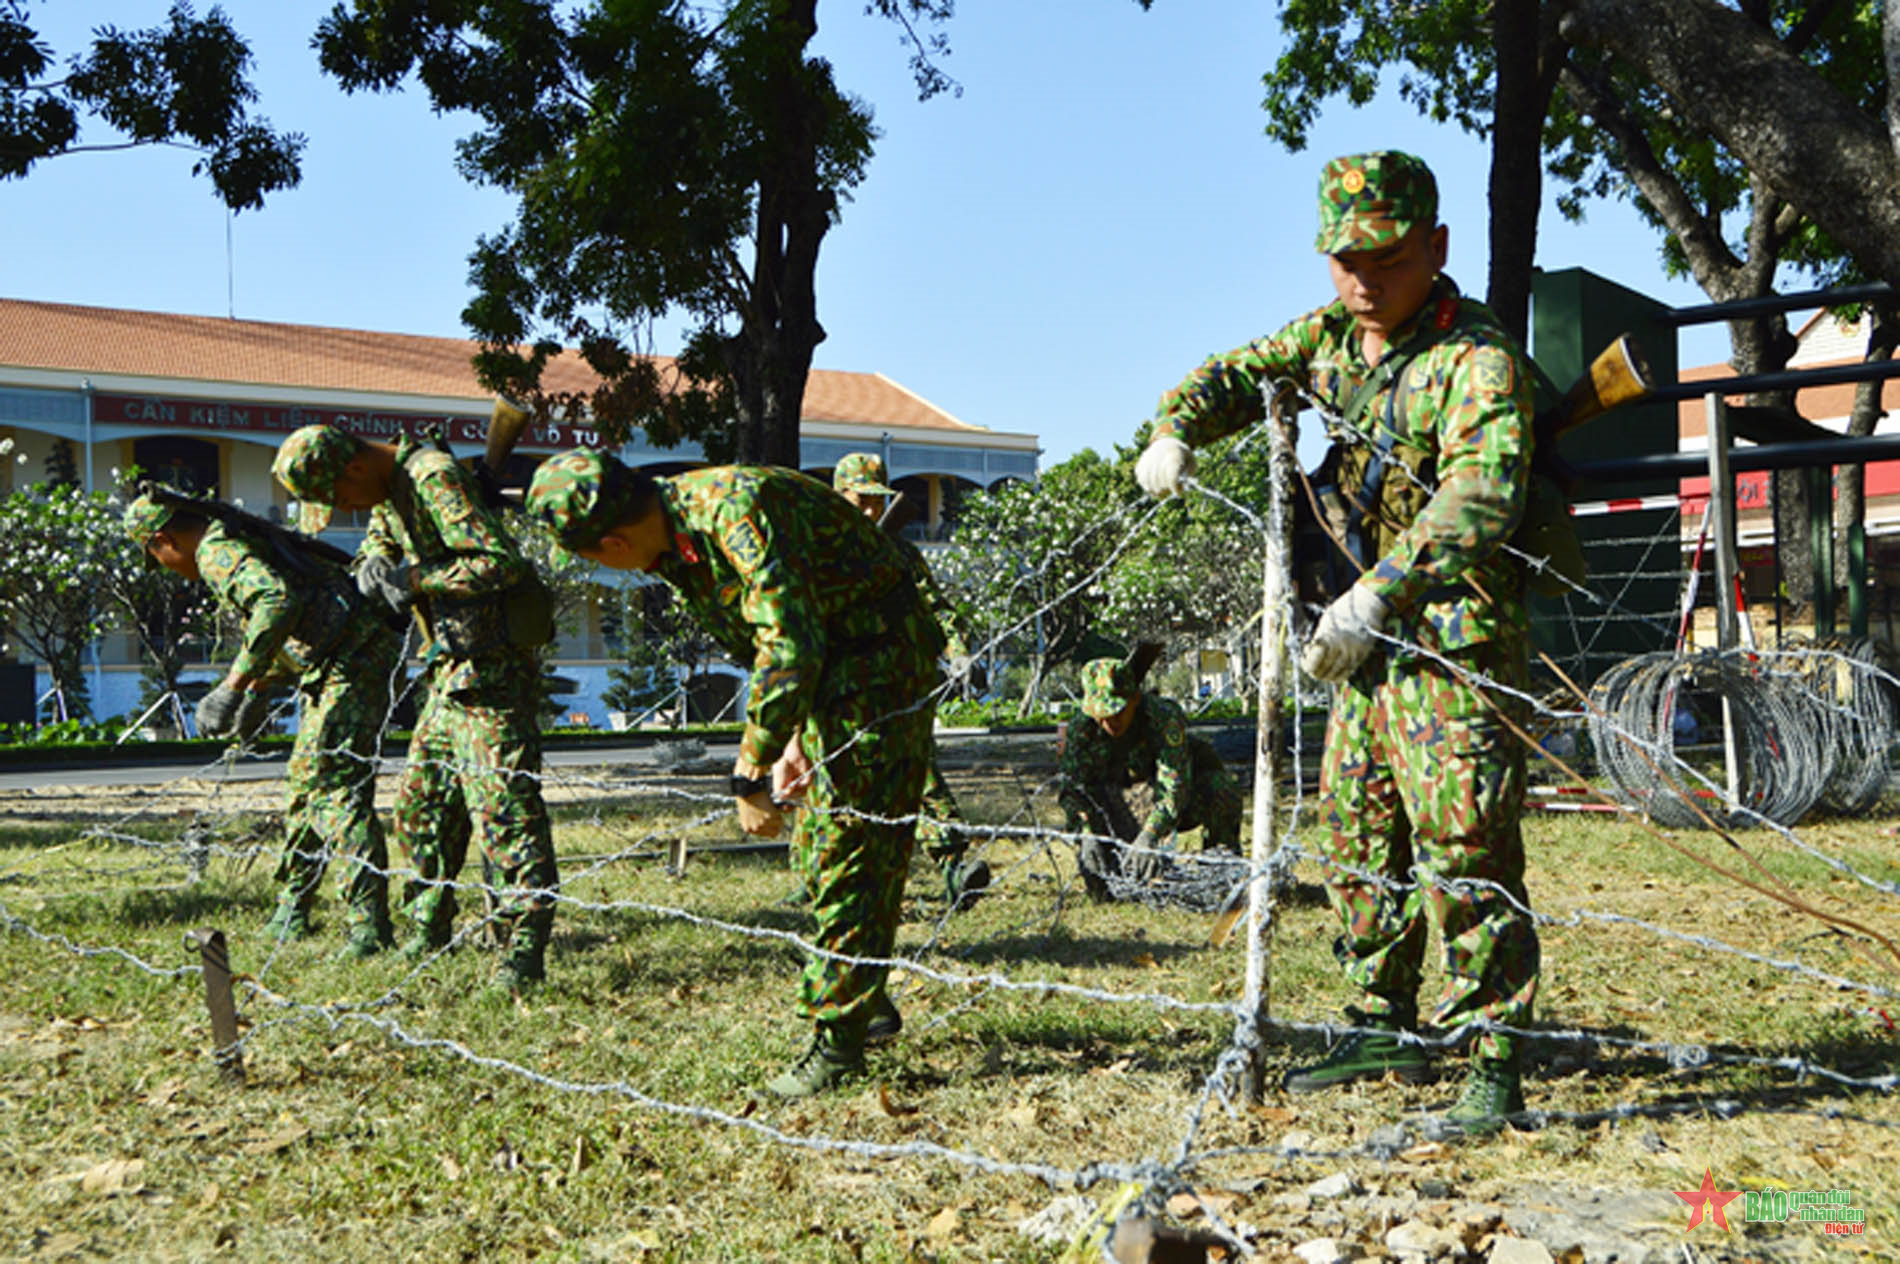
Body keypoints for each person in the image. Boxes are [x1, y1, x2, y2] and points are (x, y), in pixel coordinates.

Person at [1132, 150, 1541, 1133]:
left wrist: (1377, 600)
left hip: (1452, 637)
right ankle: (1380, 1020)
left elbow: (1482, 490)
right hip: (1360, 646)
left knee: (1464, 839)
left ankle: (1492, 1048)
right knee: (1360, 836)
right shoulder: (1327, 338)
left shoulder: (1472, 354)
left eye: (1386, 258)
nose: (1362, 280)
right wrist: (1175, 427)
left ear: (1434, 247)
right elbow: (1234, 374)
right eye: (1341, 259)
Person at [524, 451, 944, 1098]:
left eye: (589, 558)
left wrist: (749, 770)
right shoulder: (674, 537)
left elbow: (792, 642)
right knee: (814, 853)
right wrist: (792, 735)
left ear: (611, 542)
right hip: (830, 663)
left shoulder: (732, 512)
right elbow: (778, 637)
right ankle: (867, 997)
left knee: (849, 847)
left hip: (880, 663)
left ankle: (837, 1040)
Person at [271, 424, 559, 991]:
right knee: (421, 813)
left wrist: (415, 578)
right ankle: (428, 929)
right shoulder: (390, 488)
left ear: (355, 469)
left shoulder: (432, 477)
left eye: (341, 498)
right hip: (445, 673)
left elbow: (498, 562)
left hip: (491, 675)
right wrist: (375, 564)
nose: (347, 509)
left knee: (506, 820)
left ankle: (521, 954)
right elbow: (381, 536)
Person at [124, 490, 402, 958]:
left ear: (162, 540)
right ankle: (293, 905)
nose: (169, 567)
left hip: (353, 657)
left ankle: (368, 925)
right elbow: (294, 618)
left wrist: (233, 685)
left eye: (160, 558)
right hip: (337, 657)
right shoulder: (229, 539)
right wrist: (256, 690)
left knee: (335, 786)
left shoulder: (215, 550)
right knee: (303, 785)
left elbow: (276, 601)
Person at [831, 452, 990, 911]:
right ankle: (821, 872)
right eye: (859, 501)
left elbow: (935, 607)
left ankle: (955, 867)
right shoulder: (822, 552)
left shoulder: (900, 553)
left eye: (876, 502)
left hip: (900, 681)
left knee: (918, 770)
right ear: (840, 497)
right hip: (839, 689)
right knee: (831, 782)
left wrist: (957, 652)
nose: (868, 512)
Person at [1057, 653, 1240, 901]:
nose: (1109, 721)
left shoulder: (1163, 718)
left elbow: (1174, 787)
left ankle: (1219, 874)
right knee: (1105, 893)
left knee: (1222, 789)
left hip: (1172, 805)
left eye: (1117, 711)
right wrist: (1087, 833)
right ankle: (1112, 871)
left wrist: (1150, 835)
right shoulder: (1083, 727)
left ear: (1134, 699)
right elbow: (1072, 789)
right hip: (1116, 806)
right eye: (1102, 714)